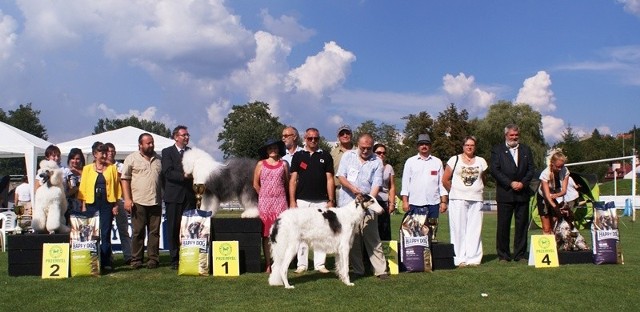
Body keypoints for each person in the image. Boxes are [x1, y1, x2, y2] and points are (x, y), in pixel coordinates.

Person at [336, 133, 388, 279]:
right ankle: (358, 270)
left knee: (373, 238)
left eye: (369, 148)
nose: (365, 151)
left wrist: (368, 201)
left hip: (368, 205)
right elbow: (341, 177)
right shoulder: (348, 156)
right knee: (353, 239)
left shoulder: (377, 161)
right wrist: (354, 190)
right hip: (347, 205)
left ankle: (380, 270)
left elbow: (377, 184)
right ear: (358, 145)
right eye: (363, 148)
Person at [289, 127, 335, 274]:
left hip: (321, 200)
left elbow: (329, 179)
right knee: (301, 233)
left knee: (321, 233)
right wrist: (292, 201)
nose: (313, 141)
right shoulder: (298, 156)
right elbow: (293, 180)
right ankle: (301, 264)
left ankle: (320, 264)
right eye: (310, 138)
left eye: (316, 138)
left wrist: (331, 200)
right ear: (305, 139)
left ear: (319, 139)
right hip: (302, 200)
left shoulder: (325, 155)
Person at [490, 124, 535, 263]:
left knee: (522, 225)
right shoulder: (497, 150)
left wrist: (523, 183)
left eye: (516, 135)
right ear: (506, 135)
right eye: (512, 135)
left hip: (522, 193)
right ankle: (503, 255)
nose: (514, 137)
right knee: (503, 225)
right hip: (505, 193)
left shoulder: (526, 150)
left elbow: (531, 169)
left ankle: (520, 254)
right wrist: (510, 183)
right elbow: (495, 170)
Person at [442, 136, 488, 267]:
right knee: (458, 229)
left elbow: (483, 179)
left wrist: (477, 189)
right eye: (467, 145)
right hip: (458, 198)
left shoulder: (481, 161)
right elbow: (445, 179)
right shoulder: (454, 159)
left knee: (475, 229)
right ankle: (459, 258)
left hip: (476, 198)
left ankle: (474, 258)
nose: (469, 147)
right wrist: (454, 191)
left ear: (475, 147)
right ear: (463, 146)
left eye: (472, 145)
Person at [77, 141, 122, 272]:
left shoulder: (112, 168)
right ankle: (93, 261)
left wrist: (115, 205)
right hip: (92, 203)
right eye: (101, 152)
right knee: (92, 233)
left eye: (105, 152)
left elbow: (116, 188)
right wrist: (84, 206)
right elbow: (83, 189)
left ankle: (106, 261)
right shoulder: (87, 169)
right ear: (94, 154)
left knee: (106, 232)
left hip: (107, 204)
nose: (103, 155)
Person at [121, 133, 163, 270]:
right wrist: (127, 199)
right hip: (138, 201)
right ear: (140, 144)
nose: (151, 145)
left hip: (155, 201)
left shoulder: (158, 159)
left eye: (152, 143)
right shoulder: (131, 159)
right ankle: (136, 259)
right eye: (148, 143)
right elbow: (125, 179)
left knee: (154, 232)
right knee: (138, 232)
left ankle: (153, 259)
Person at [400, 134, 448, 242]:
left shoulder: (437, 162)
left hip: (433, 203)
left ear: (430, 146)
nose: (424, 146)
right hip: (415, 203)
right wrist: (404, 201)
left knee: (431, 232)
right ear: (418, 146)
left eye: (426, 144)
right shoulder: (410, 162)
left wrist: (444, 202)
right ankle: (416, 257)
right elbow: (405, 183)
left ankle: (429, 256)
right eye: (421, 144)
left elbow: (441, 184)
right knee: (414, 232)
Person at [162, 125, 196, 270]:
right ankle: (174, 259)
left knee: (189, 228)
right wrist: (184, 176)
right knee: (174, 228)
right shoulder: (167, 152)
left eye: (188, 135)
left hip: (189, 197)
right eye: (184, 135)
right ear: (176, 137)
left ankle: (189, 256)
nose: (187, 137)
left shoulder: (192, 152)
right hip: (174, 196)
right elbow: (167, 172)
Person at [253, 139, 289, 273]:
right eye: (270, 148)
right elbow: (255, 184)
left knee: (280, 234)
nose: (272, 150)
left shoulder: (284, 164)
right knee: (266, 235)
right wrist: (263, 194)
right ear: (266, 151)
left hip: (280, 203)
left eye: (275, 148)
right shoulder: (260, 164)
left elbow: (286, 182)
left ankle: (278, 263)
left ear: (279, 149)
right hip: (265, 204)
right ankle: (268, 263)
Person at [105, 142, 132, 265]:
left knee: (123, 229)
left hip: (120, 200)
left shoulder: (120, 166)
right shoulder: (101, 167)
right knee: (106, 231)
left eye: (113, 150)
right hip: (106, 201)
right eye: (109, 151)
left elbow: (124, 180)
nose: (111, 153)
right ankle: (107, 257)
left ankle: (128, 255)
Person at [537, 151, 569, 235]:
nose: (560, 169)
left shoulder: (565, 170)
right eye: (558, 167)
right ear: (552, 163)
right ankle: (547, 244)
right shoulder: (545, 173)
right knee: (546, 227)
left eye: (562, 166)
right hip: (544, 198)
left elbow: (564, 191)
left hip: (556, 196)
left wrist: (557, 195)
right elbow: (547, 196)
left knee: (555, 223)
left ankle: (556, 245)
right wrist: (556, 208)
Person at [373, 143, 396, 241]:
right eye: (378, 152)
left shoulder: (389, 167)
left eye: (383, 153)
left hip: (384, 202)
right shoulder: (370, 165)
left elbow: (392, 186)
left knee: (384, 229)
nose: (381, 155)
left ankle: (386, 254)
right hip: (373, 200)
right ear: (374, 153)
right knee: (372, 230)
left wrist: (392, 203)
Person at [331, 125, 354, 203]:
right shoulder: (332, 154)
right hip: (338, 191)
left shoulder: (359, 152)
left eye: (347, 133)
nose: (345, 135)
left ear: (351, 135)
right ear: (338, 137)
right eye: (342, 134)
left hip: (355, 191)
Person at [64, 148, 85, 224]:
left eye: (77, 159)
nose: (75, 161)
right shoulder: (66, 172)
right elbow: (66, 192)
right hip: (69, 205)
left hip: (84, 204)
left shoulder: (86, 171)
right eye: (72, 158)